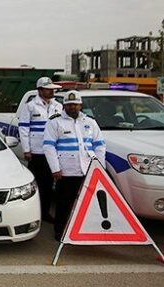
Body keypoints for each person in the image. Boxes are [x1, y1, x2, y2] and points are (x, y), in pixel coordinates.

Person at [43, 90, 106, 241]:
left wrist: (99, 168)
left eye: (75, 104)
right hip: (66, 171)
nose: (73, 107)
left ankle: (85, 230)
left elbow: (100, 145)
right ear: (64, 105)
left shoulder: (90, 122)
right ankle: (60, 231)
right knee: (64, 203)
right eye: (69, 104)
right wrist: (55, 168)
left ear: (80, 105)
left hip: (88, 170)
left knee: (87, 203)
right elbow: (48, 146)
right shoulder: (55, 122)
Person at [18, 76, 63, 222]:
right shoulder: (30, 106)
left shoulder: (58, 106)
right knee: (36, 184)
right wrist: (27, 149)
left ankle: (45, 213)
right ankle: (32, 212)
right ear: (40, 90)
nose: (52, 92)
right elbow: (24, 129)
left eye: (52, 89)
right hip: (36, 152)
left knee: (49, 184)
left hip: (52, 151)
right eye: (48, 89)